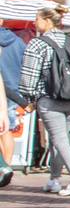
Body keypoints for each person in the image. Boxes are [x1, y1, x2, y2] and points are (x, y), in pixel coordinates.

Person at [18, 5, 70, 196]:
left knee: (59, 139)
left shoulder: (37, 44)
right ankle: (54, 179)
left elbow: (29, 76)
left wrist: (30, 98)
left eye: (37, 19)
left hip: (50, 99)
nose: (35, 23)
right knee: (60, 140)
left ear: (47, 21)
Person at [0, 24, 27, 169]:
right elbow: (26, 66)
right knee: (6, 129)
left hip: (3, 88)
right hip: (14, 90)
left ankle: (3, 167)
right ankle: (7, 165)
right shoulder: (18, 41)